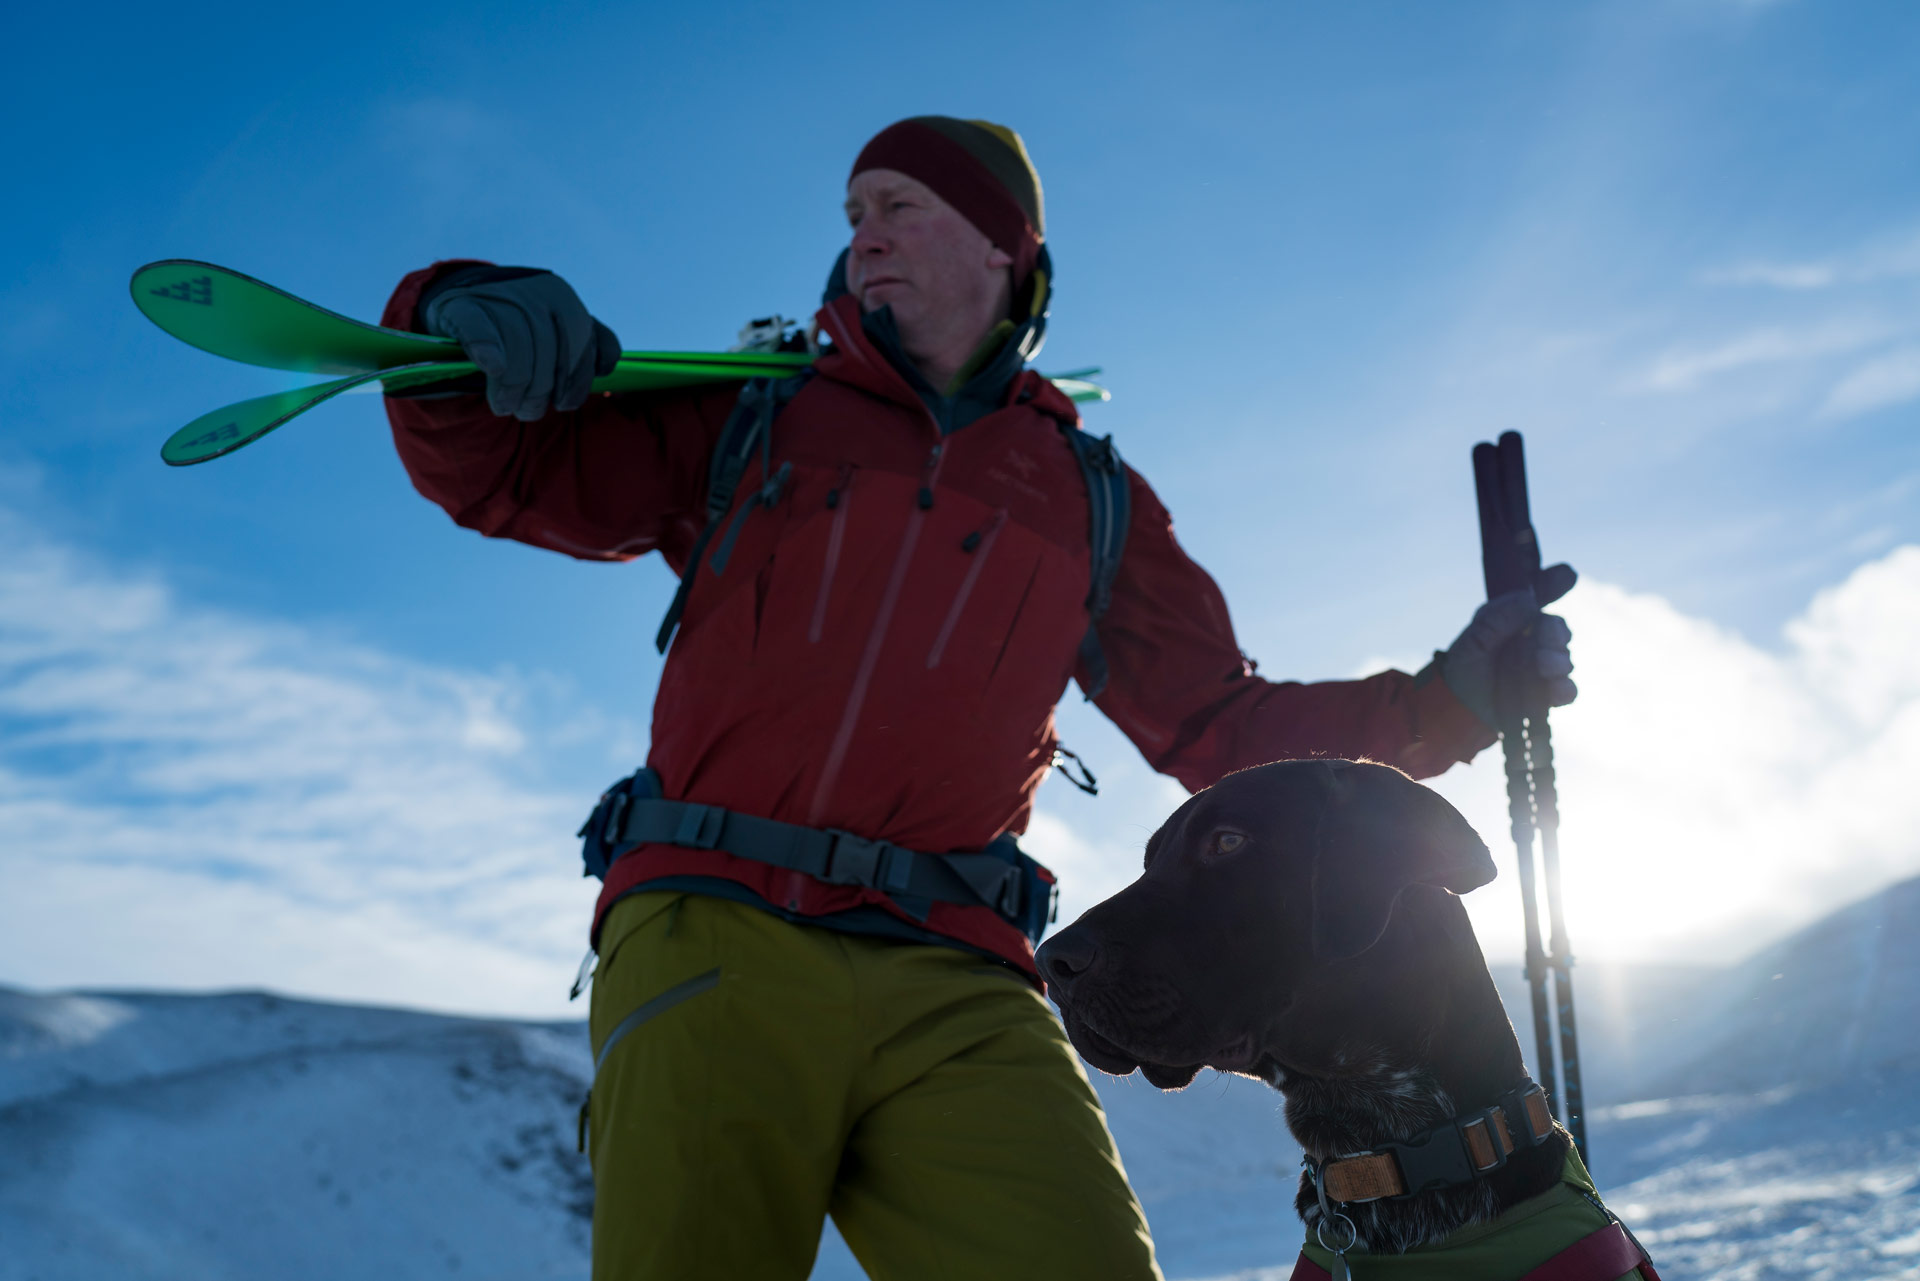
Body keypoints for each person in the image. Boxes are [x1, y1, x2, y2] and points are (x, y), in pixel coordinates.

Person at [381, 116, 1576, 1281]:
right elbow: (510, 473)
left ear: (1004, 249)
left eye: (901, 205)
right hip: (712, 926)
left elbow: (1228, 733)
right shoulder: (753, 412)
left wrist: (1456, 697)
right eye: (854, 214)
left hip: (955, 968)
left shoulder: (1088, 495)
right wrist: (454, 317)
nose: (866, 236)